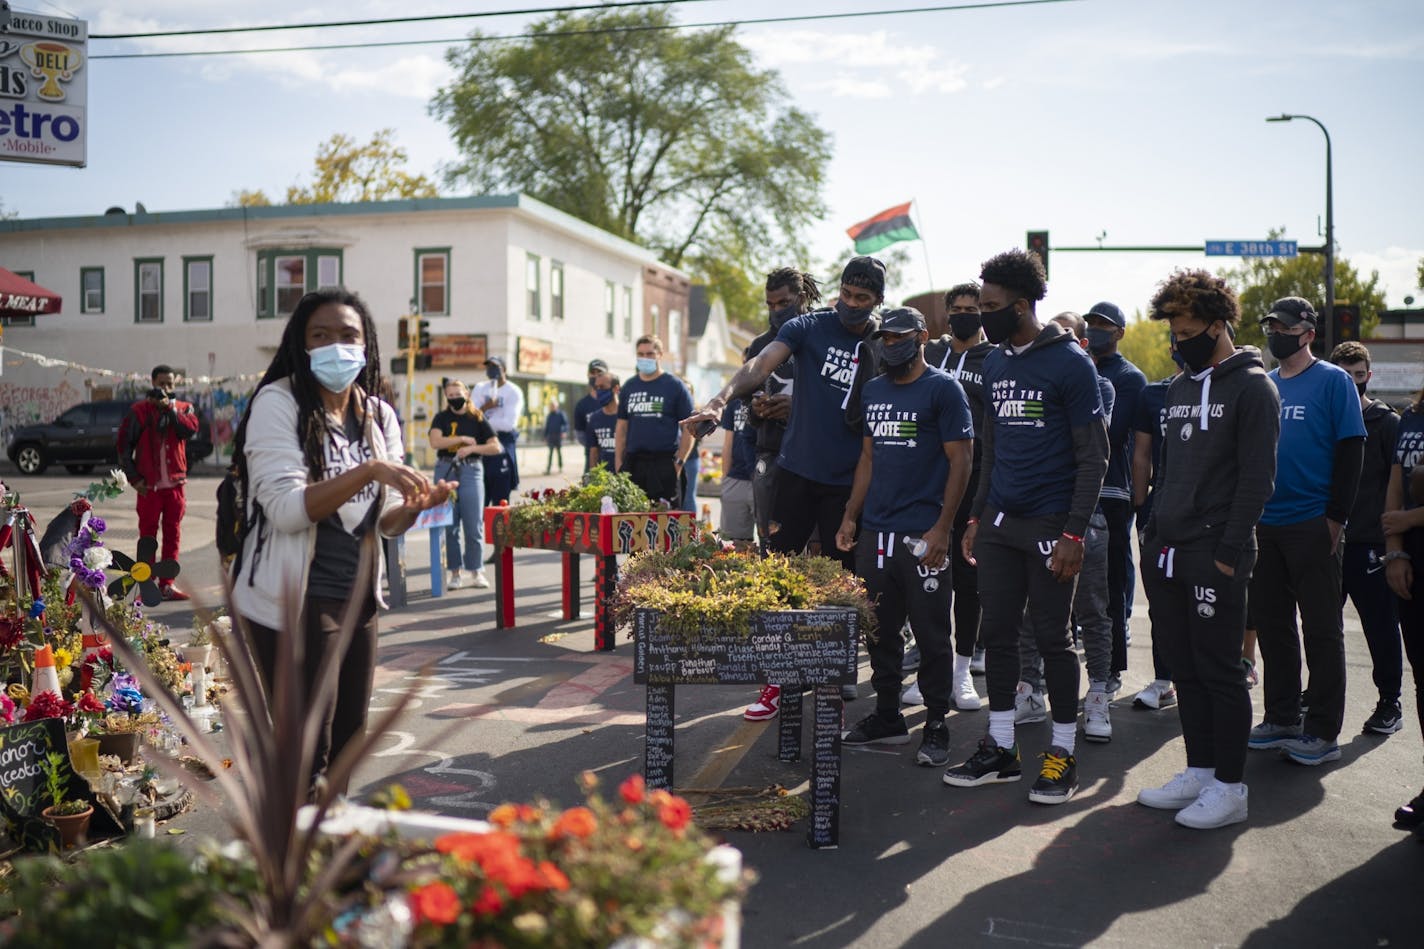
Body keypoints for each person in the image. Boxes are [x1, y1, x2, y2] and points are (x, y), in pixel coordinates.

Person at [228, 289, 454, 793]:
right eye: (321, 335)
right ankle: (294, 861)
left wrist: (414, 507)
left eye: (348, 335)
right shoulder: (278, 403)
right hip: (292, 600)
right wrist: (369, 470)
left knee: (350, 741)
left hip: (358, 598)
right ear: (301, 345)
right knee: (308, 748)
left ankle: (330, 853)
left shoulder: (377, 415)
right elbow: (287, 510)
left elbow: (385, 522)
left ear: (367, 344)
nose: (336, 346)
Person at [683, 257, 888, 720]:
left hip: (847, 484)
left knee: (840, 587)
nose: (851, 306)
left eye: (863, 299)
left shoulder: (881, 344)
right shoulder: (810, 328)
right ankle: (774, 681)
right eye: (846, 295)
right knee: (778, 580)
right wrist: (718, 401)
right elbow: (759, 364)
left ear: (877, 300)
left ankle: (835, 680)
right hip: (794, 474)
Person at [941, 248, 1107, 806]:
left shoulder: (1070, 362)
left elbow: (1095, 457)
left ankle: (1062, 753)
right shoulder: (995, 362)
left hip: (1051, 526)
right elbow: (991, 451)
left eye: (990, 306)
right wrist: (976, 515)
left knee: (1055, 642)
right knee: (1001, 637)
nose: (981, 315)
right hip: (999, 524)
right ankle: (1002, 747)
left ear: (1023, 303)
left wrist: (1074, 533)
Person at [1135, 269, 1279, 829]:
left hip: (1214, 553)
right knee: (1185, 668)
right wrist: (1151, 533)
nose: (1177, 340)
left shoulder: (1253, 387)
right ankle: (1199, 771)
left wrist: (1228, 548)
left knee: (1221, 671)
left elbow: (1257, 478)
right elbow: (1168, 469)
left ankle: (1230, 786)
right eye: (1172, 329)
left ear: (1218, 325)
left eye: (1187, 329)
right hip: (1166, 548)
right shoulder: (1175, 387)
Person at [834, 307, 973, 766]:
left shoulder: (943, 389)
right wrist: (851, 515)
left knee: (933, 634)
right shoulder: (873, 390)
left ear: (922, 337)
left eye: (899, 337)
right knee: (880, 631)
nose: (890, 345)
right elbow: (868, 459)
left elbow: (961, 461)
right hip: (877, 533)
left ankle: (935, 723)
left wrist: (942, 528)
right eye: (885, 338)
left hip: (923, 533)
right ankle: (889, 715)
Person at [1247, 296, 1365, 766]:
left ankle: (1321, 731)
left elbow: (1352, 450)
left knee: (1321, 630)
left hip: (1313, 523)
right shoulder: (1267, 384)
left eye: (1285, 327)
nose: (1276, 333)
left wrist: (1336, 517)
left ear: (1308, 333)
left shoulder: (1334, 381)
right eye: (1272, 325)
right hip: (1267, 525)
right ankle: (1281, 717)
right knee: (1274, 626)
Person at [1010, 312, 1116, 743]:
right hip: (1038, 516)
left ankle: (1098, 698)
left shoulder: (1098, 384)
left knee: (1092, 611)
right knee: (1033, 613)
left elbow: (1081, 450)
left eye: (1070, 334)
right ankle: (1031, 691)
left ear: (1083, 345)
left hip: (1083, 517)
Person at [1329, 341, 1405, 734]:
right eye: (1345, 376)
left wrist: (1394, 545)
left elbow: (1400, 483)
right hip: (1328, 541)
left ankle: (1390, 702)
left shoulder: (1386, 423)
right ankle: (1319, 699)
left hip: (1371, 545)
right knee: (1323, 627)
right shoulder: (1323, 421)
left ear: (1368, 377)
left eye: (1359, 376)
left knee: (1379, 625)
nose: (1353, 383)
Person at [923, 281, 992, 706]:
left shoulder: (996, 359)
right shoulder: (931, 355)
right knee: (928, 577)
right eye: (958, 308)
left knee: (968, 581)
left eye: (973, 307)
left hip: (976, 480)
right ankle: (932, 667)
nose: (965, 314)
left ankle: (962, 671)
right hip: (929, 481)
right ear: (947, 313)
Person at [1084, 301, 1147, 691]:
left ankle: (1110, 670)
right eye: (1091, 324)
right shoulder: (1078, 366)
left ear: (1120, 332)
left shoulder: (1129, 378)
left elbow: (1112, 430)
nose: (1095, 330)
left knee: (1110, 583)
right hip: (1074, 490)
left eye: (1104, 325)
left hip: (1112, 490)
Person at [747, 268, 819, 555]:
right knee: (772, 552)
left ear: (801, 299)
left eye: (783, 303)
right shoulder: (760, 346)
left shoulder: (822, 338)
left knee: (821, 554)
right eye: (770, 304)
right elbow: (747, 414)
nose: (776, 311)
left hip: (816, 460)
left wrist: (797, 410)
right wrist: (757, 408)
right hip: (772, 455)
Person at [117, 363, 202, 601]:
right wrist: (134, 479)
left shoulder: (184, 408)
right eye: (161, 383)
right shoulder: (139, 411)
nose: (166, 388)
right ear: (153, 383)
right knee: (147, 537)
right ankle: (147, 585)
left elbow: (189, 430)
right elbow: (124, 447)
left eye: (170, 384)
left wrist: (171, 410)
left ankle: (167, 584)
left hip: (175, 487)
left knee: (173, 534)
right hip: (149, 487)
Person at [1130, 341, 1185, 710]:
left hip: (1207, 514)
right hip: (1158, 511)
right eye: (1177, 338)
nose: (1181, 344)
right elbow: (1141, 453)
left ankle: (1204, 678)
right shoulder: (1153, 394)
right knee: (1161, 601)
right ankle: (1164, 679)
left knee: (1202, 601)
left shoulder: (1234, 390)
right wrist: (1141, 507)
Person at [1382, 380, 1424, 829]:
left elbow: (1404, 507)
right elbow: (1395, 484)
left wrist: (1410, 518)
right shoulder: (1411, 417)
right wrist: (1395, 547)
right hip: (1413, 557)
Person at [428, 378, 502, 590]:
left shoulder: (477, 417)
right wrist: (460, 439)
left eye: (457, 394)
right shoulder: (441, 417)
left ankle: (476, 570)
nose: (454, 399)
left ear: (467, 394)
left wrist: (472, 448)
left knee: (473, 522)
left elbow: (495, 447)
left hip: (471, 469)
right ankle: (455, 572)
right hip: (446, 468)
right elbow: (435, 442)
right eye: (450, 395)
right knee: (449, 524)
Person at [615, 336, 694, 505]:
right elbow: (621, 427)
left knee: (666, 524)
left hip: (665, 464)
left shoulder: (674, 386)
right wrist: (619, 464)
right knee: (633, 521)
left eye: (650, 353)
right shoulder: (629, 387)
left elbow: (690, 427)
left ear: (660, 354)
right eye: (640, 354)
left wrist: (678, 464)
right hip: (634, 464)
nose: (645, 358)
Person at [472, 355, 524, 504]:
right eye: (489, 367)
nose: (492, 370)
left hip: (502, 445)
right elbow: (472, 416)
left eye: (496, 367)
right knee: (480, 500)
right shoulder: (480, 388)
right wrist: (486, 407)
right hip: (482, 444)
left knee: (500, 502)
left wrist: (483, 421)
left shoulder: (513, 391)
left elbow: (509, 424)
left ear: (504, 370)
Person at [719, 394, 757, 548]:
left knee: (774, 542)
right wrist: (726, 477)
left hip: (766, 478)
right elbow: (728, 442)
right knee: (733, 543)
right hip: (736, 478)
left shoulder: (777, 393)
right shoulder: (735, 402)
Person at [573, 359, 609, 472]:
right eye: (593, 373)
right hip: (591, 459)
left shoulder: (616, 401)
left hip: (614, 458)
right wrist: (594, 444)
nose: (596, 376)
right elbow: (580, 435)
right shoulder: (582, 405)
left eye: (600, 373)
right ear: (588, 375)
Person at [586, 373, 620, 470]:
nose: (599, 391)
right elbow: (593, 451)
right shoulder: (594, 418)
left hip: (626, 478)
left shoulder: (627, 416)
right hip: (604, 478)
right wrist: (593, 476)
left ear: (616, 389)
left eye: (602, 387)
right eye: (597, 388)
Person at [543, 400, 569, 474]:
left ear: (556, 406)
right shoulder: (549, 415)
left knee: (559, 452)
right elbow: (547, 427)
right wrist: (545, 436)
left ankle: (560, 467)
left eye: (553, 406)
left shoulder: (561, 414)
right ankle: (548, 469)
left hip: (558, 436)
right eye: (551, 406)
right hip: (551, 437)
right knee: (550, 453)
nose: (552, 407)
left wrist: (564, 432)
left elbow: (565, 424)